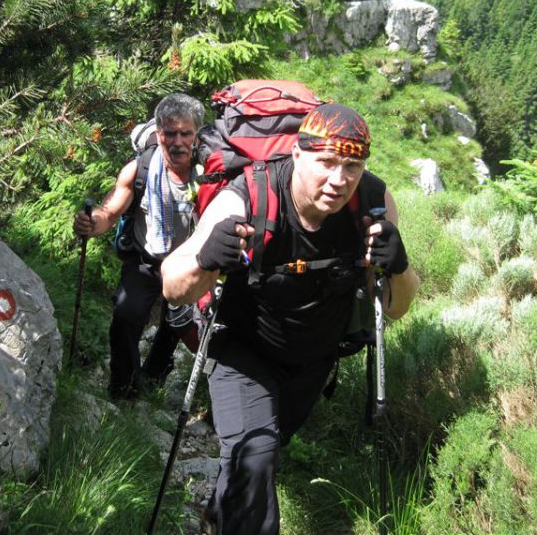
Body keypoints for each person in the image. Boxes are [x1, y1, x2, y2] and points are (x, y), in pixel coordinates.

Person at [161, 102, 420, 534]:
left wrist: (400, 267)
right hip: (242, 349)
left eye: (352, 166)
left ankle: (217, 514)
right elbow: (172, 285)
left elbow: (397, 307)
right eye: (327, 163)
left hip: (313, 359)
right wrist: (207, 258)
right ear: (297, 155)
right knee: (255, 454)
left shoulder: (374, 203)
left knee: (263, 452)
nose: (340, 180)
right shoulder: (248, 196)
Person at [73, 93, 205, 400]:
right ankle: (123, 390)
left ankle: (156, 375)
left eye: (185, 133)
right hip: (146, 259)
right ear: (158, 133)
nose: (177, 141)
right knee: (125, 317)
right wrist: (93, 223)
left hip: (189, 265)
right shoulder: (140, 168)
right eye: (170, 133)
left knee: (176, 325)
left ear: (196, 134)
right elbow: (110, 211)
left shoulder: (208, 171)